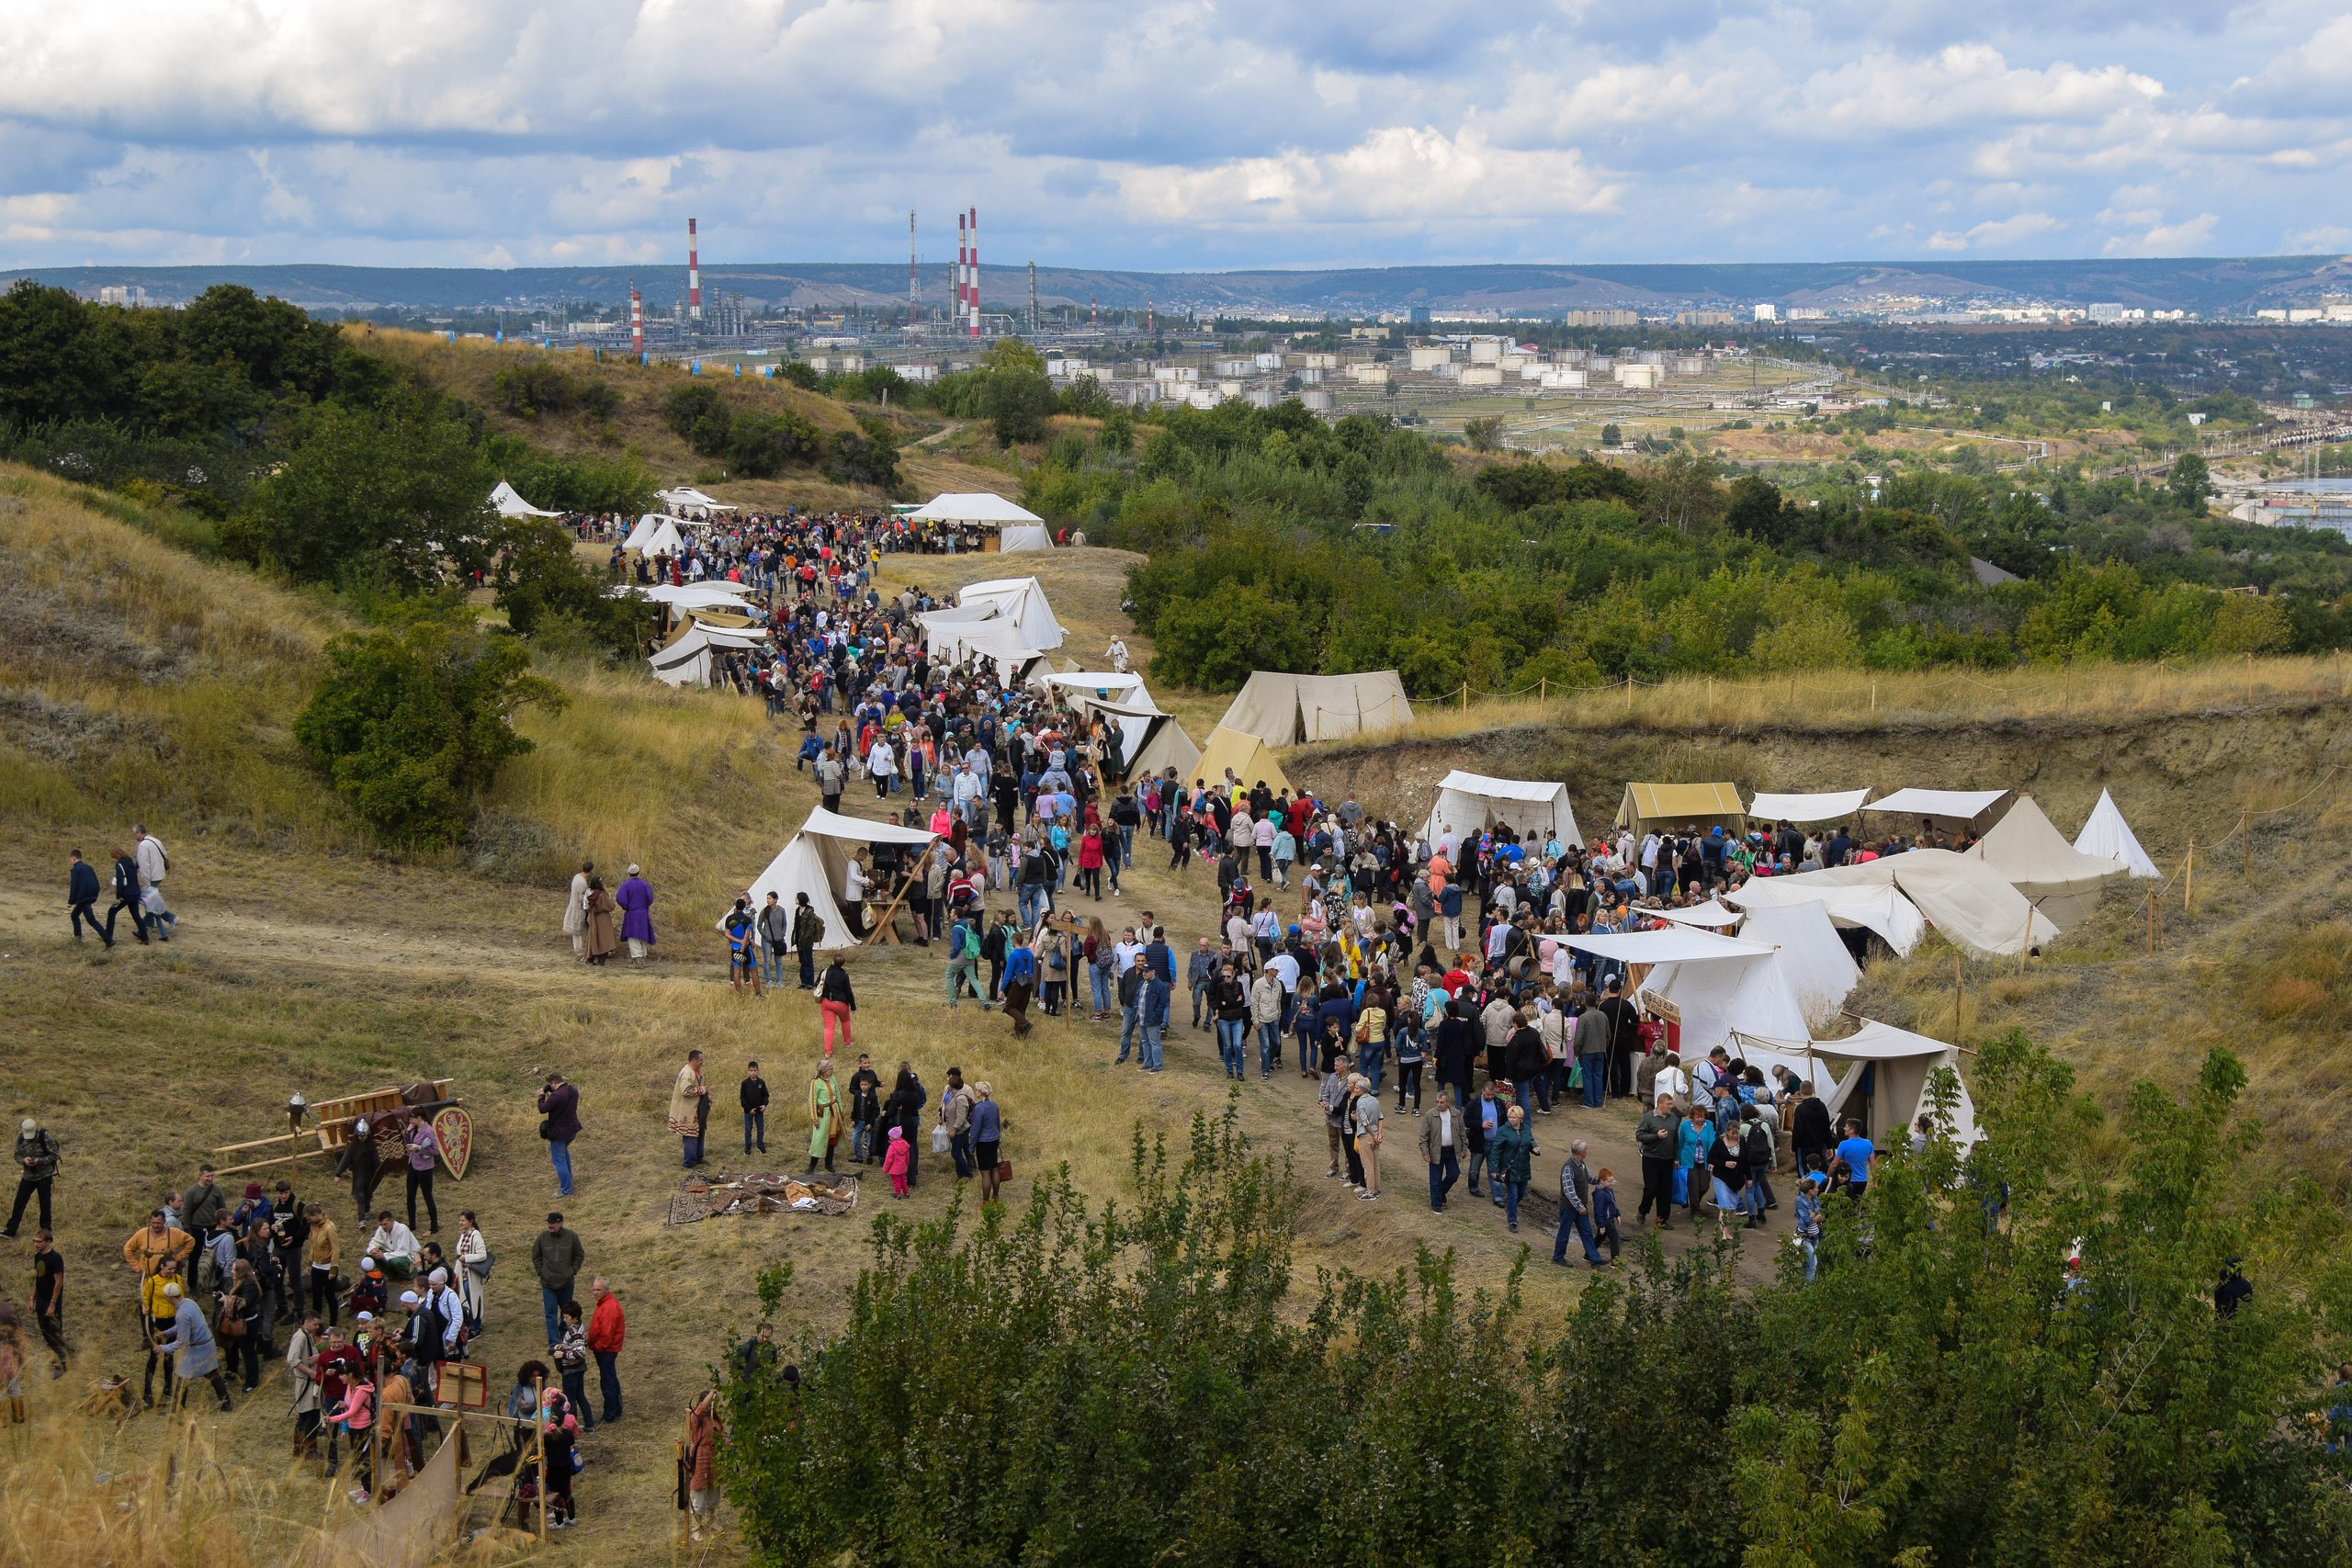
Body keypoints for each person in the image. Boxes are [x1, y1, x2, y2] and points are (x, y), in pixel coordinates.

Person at [154, 1280, 232, 1411]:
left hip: (198, 1348)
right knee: (212, 1374)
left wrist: (162, 1348)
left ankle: (178, 1410)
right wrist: (165, 1333)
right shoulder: (189, 1302)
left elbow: (182, 1341)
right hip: (207, 1343)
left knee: (181, 1378)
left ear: (170, 1297)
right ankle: (227, 1404)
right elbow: (182, 1327)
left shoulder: (182, 1314)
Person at [534, 1212, 584, 1348]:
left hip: (566, 1283)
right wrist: (541, 1271)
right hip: (548, 1284)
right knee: (550, 1314)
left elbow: (579, 1254)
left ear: (560, 1223)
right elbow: (536, 1256)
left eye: (552, 1223)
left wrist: (572, 1271)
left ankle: (564, 1334)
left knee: (566, 1312)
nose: (549, 1225)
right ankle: (554, 1343)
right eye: (548, 1223)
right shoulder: (542, 1238)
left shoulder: (572, 1237)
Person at [1553, 1140, 1606, 1269]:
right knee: (1564, 1233)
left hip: (1579, 1206)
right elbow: (1569, 1191)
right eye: (1586, 1149)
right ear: (1581, 1152)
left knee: (1587, 1232)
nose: (1587, 1151)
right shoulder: (1568, 1167)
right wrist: (1579, 1206)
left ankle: (1595, 1259)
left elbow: (1586, 1177)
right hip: (1569, 1207)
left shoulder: (1581, 1164)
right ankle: (1558, 1257)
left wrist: (1598, 1180)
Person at [1634, 1092, 1679, 1231]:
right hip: (1651, 1158)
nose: (1671, 1107)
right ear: (1660, 1103)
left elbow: (1675, 1140)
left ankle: (1662, 1219)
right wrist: (1656, 1136)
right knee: (1651, 1188)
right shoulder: (1648, 1118)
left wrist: (1676, 1158)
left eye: (1671, 1104)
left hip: (1667, 1159)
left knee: (1665, 1190)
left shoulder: (1674, 1119)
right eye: (1668, 1104)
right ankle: (1643, 1210)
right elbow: (1639, 1136)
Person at [6, 1118, 58, 1238]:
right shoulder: (21, 1137)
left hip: (44, 1176)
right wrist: (24, 1161)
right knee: (19, 1202)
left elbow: (55, 1155)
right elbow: (16, 1155)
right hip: (28, 1176)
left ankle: (46, 1231)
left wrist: (39, 1161)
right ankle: (11, 1230)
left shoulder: (45, 1137)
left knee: (45, 1203)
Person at [684, 1388, 722, 1541]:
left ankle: (711, 1522)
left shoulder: (716, 1419)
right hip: (701, 1456)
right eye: (710, 1402)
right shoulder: (696, 1419)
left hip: (714, 1456)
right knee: (700, 1493)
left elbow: (721, 1436)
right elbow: (700, 1409)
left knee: (714, 1491)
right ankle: (696, 1528)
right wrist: (712, 1392)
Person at [1490, 1103, 1535, 1232]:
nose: (1511, 1119)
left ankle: (1510, 1208)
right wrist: (1494, 1168)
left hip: (1524, 1167)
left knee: (1521, 1193)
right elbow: (1495, 1150)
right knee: (1513, 1195)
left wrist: (1535, 1149)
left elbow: (1530, 1142)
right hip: (1510, 1169)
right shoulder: (1503, 1130)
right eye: (1510, 1117)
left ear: (1520, 1118)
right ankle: (1512, 1221)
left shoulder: (1526, 1129)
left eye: (1514, 1117)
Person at [586, 1277, 625, 1425]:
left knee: (607, 1381)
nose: (595, 1293)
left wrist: (596, 1347)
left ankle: (610, 1413)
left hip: (606, 1350)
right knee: (611, 1378)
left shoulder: (609, 1307)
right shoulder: (606, 1304)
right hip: (606, 1348)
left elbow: (606, 1335)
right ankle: (615, 1408)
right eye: (594, 1289)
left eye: (598, 1290)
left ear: (607, 1290)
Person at [30, 1231, 69, 1377]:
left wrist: (53, 1304)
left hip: (51, 1300)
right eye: (34, 1241)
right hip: (40, 1299)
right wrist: (32, 1297)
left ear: (48, 1242)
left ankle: (64, 1364)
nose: (36, 1244)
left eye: (39, 1242)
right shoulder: (38, 1256)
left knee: (55, 1333)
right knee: (45, 1332)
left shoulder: (55, 1258)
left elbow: (59, 1282)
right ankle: (61, 1357)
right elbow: (37, 1277)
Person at [1419, 1088, 1463, 1213]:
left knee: (1454, 1174)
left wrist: (1464, 1147)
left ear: (1448, 1102)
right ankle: (1436, 1205)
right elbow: (1423, 1136)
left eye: (1441, 1102)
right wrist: (1425, 1152)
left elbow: (1462, 1132)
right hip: (1436, 1151)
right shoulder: (1430, 1115)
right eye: (1437, 1102)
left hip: (1452, 1150)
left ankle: (1441, 1191)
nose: (1439, 1104)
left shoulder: (1456, 1114)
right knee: (1435, 1179)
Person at [132, 825, 176, 940]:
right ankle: (150, 924)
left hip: (152, 876)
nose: (134, 836)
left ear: (139, 833)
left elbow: (144, 865)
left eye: (135, 833)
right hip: (160, 873)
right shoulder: (156, 840)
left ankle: (170, 918)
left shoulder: (143, 845)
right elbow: (165, 855)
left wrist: (146, 881)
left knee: (151, 902)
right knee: (151, 900)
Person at [670, 1051, 710, 1168]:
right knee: (690, 1135)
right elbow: (685, 1090)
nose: (702, 1062)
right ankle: (690, 1162)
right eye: (700, 1060)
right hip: (688, 1110)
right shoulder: (687, 1073)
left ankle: (698, 1157)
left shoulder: (695, 1071)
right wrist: (701, 1090)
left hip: (696, 1109)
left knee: (700, 1132)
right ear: (694, 1060)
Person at [401, 1116, 440, 1235]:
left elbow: (435, 1151)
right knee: (410, 1195)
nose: (410, 1121)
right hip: (413, 1165)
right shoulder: (413, 1129)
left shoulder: (428, 1131)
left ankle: (434, 1226)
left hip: (425, 1168)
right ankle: (412, 1224)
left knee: (427, 1196)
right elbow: (407, 1144)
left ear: (419, 1118)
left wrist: (420, 1148)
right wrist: (407, 1131)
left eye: (412, 1119)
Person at [454, 1211, 489, 1335]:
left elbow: (482, 1255)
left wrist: (466, 1258)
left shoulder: (476, 1236)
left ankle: (476, 1327)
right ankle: (472, 1324)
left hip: (472, 1275)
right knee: (467, 1300)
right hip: (463, 1274)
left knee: (473, 1300)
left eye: (463, 1220)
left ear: (471, 1221)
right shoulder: (464, 1235)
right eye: (460, 1220)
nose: (460, 1223)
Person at [105, 845, 148, 944]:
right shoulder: (130, 862)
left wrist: (119, 897)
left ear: (116, 856)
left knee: (111, 912)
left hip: (126, 894)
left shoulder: (119, 865)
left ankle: (107, 936)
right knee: (136, 916)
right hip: (135, 892)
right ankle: (145, 938)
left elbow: (120, 882)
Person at [1351, 1074, 1384, 1201]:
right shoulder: (1375, 1100)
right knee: (1375, 1164)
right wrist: (1378, 1134)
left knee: (1368, 1165)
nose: (1355, 1090)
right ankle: (1376, 1189)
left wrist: (1373, 1134)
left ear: (1363, 1089)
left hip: (1366, 1136)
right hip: (1375, 1136)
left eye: (1357, 1088)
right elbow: (1381, 1117)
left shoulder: (1360, 1102)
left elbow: (1365, 1122)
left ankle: (1370, 1192)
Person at [807, 1060, 842, 1174]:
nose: (832, 1070)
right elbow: (812, 1101)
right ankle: (812, 1166)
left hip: (833, 1112)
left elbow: (838, 1095)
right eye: (830, 1068)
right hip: (823, 1114)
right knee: (819, 1139)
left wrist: (840, 1110)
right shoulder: (815, 1082)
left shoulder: (833, 1079)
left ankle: (828, 1164)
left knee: (832, 1138)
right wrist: (814, 1118)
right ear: (824, 1070)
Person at [615, 863, 657, 961]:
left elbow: (620, 898)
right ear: (638, 872)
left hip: (632, 913)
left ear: (629, 873)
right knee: (642, 934)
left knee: (633, 935)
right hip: (643, 912)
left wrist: (626, 906)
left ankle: (638, 959)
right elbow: (650, 898)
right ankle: (643, 955)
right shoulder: (644, 884)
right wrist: (645, 906)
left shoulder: (625, 885)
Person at [67, 848, 107, 947]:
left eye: (70, 859)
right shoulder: (88, 867)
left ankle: (109, 940)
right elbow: (96, 882)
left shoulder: (76, 869)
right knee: (75, 916)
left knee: (91, 920)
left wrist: (71, 901)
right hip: (90, 896)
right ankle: (78, 939)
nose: (69, 861)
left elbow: (74, 886)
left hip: (83, 898)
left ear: (73, 858)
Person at [846, 1055, 882, 1165]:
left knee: (869, 1140)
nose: (867, 1065)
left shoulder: (872, 1073)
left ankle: (869, 1157)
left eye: (868, 1063)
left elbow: (876, 1082)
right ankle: (859, 1157)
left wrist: (880, 1084)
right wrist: (858, 1093)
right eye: (865, 1063)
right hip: (859, 1117)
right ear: (860, 1064)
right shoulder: (856, 1076)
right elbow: (854, 1105)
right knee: (855, 1140)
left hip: (870, 1111)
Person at [971, 1082, 1003, 1204]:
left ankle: (985, 1201)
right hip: (994, 1139)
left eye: (976, 1090)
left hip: (983, 1142)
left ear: (980, 1092)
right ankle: (995, 1197)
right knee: (994, 1168)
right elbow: (998, 1123)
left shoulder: (979, 1108)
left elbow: (976, 1129)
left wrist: (972, 1145)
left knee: (985, 1173)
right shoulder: (994, 1105)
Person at [819, 955, 857, 1054]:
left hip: (827, 1002)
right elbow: (849, 992)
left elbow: (817, 984)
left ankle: (828, 1051)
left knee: (829, 1027)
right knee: (845, 1021)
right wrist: (853, 1006)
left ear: (832, 961)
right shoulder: (844, 976)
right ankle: (847, 1043)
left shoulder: (825, 971)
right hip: (841, 1004)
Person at [1835, 1119, 1877, 1201]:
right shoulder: (1868, 1143)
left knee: (1846, 1205)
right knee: (1856, 1203)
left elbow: (1834, 1164)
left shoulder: (1843, 1144)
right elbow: (1873, 1164)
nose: (1844, 1128)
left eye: (1846, 1127)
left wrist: (1829, 1175)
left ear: (1852, 1130)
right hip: (1862, 1181)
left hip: (1847, 1180)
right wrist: (1875, 1181)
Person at [791, 894, 825, 989]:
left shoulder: (809, 912)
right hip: (799, 940)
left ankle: (809, 983)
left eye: (797, 898)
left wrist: (806, 938)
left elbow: (811, 927)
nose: (795, 899)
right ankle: (804, 982)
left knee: (808, 961)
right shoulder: (798, 910)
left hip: (806, 941)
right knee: (802, 961)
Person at [1794, 1176, 1824, 1281]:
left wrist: (1814, 1216)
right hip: (1805, 1238)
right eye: (1816, 1188)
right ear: (1811, 1191)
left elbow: (1821, 1214)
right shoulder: (1800, 1201)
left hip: (1815, 1236)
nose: (1818, 1190)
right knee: (1813, 1265)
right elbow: (1807, 1221)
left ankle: (1802, 1287)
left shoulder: (1814, 1199)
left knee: (1807, 1264)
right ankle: (1809, 1292)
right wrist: (1817, 1217)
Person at [563, 861, 593, 961]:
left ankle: (580, 951)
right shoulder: (583, 883)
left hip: (573, 905)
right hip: (578, 909)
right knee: (579, 932)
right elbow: (582, 899)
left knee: (577, 933)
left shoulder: (577, 877)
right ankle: (580, 953)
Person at [741, 1061, 771, 1156]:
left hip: (759, 1111)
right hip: (748, 1111)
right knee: (748, 1130)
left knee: (760, 1129)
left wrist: (764, 1105)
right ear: (748, 1071)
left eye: (755, 1070)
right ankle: (748, 1147)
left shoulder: (761, 1083)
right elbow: (742, 1098)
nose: (753, 1072)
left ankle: (760, 1145)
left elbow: (766, 1095)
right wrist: (749, 1109)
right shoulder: (745, 1083)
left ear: (758, 1071)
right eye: (751, 1070)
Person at [883, 1124, 911, 1198]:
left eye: (890, 1136)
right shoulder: (905, 1145)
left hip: (894, 1169)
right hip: (903, 1168)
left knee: (896, 1182)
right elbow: (907, 1157)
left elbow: (888, 1159)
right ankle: (906, 1193)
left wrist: (885, 1168)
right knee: (903, 1181)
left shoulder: (892, 1147)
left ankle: (898, 1194)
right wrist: (906, 1165)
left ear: (893, 1137)